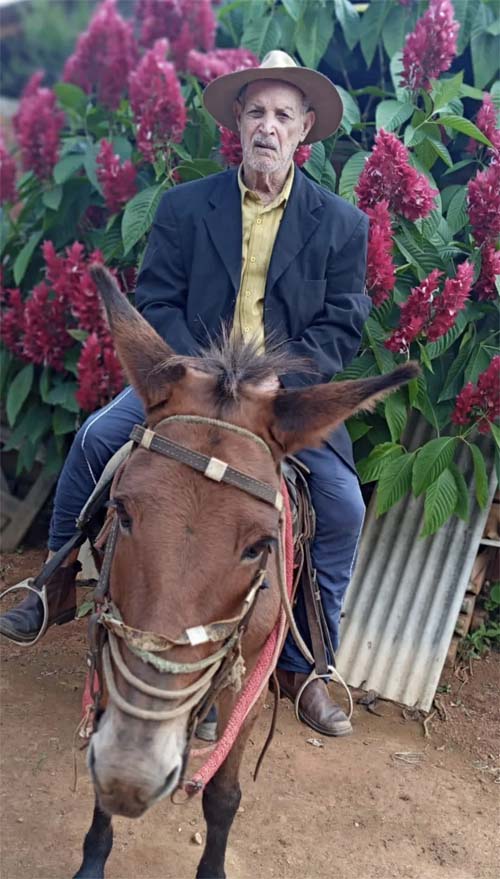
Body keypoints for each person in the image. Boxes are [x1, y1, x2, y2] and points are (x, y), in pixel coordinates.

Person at [0, 51, 370, 737]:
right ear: (235, 120)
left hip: (279, 400)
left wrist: (278, 379)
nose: (267, 125)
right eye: (255, 111)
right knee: (96, 441)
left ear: (306, 129)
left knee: (343, 507)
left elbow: (342, 325)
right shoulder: (182, 207)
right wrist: (200, 370)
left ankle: (308, 663)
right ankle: (50, 584)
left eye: (283, 114)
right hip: (189, 381)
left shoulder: (342, 226)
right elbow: (155, 299)